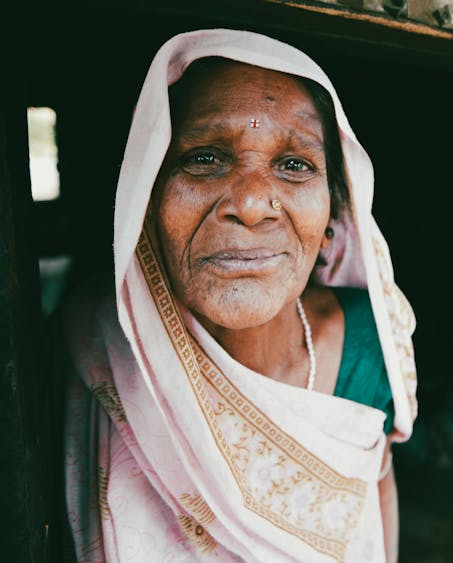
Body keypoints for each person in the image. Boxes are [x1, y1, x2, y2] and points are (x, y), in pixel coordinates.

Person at [62, 28, 418, 562]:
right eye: (205, 158)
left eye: (295, 164)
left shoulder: (369, 344)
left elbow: (376, 490)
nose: (252, 204)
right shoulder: (95, 342)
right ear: (146, 202)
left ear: (332, 220)